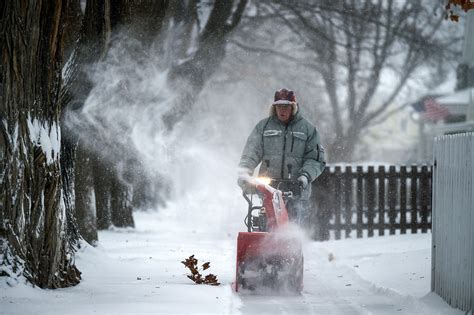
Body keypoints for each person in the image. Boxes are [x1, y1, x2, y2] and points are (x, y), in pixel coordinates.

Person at [237, 88, 326, 226]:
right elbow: (251, 153)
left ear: (293, 107)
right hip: (268, 187)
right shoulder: (263, 127)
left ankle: (291, 245)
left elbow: (315, 159)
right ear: (274, 107)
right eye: (279, 106)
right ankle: (261, 245)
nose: (282, 110)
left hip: (295, 188)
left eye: (286, 106)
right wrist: (245, 174)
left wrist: (304, 177)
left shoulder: (308, 130)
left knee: (291, 227)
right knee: (265, 222)